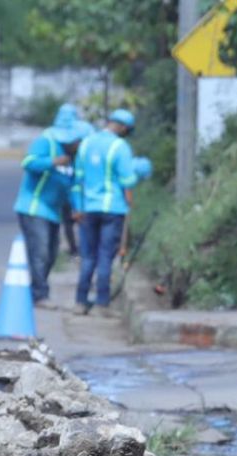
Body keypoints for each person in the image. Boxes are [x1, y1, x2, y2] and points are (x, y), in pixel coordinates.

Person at [70, 108, 150, 316]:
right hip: (112, 209)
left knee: (88, 257)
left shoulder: (86, 143)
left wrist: (77, 206)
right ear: (122, 127)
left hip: (87, 208)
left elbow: (77, 179)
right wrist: (138, 170)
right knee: (105, 257)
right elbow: (127, 180)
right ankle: (101, 304)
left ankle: (80, 302)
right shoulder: (120, 146)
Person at [13, 105, 90, 309]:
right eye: (80, 142)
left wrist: (77, 208)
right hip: (33, 206)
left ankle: (36, 290)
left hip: (53, 211)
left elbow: (74, 185)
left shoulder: (75, 159)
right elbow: (28, 163)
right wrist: (53, 162)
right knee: (40, 252)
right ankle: (40, 295)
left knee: (52, 253)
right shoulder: (47, 141)